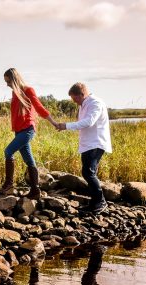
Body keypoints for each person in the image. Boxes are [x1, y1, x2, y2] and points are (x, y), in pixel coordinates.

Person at [0, 68, 58, 200]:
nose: (7, 84)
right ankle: (35, 190)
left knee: (8, 151)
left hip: (27, 130)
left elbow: (39, 107)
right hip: (19, 131)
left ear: (14, 79)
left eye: (8, 81)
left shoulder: (28, 90)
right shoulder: (15, 93)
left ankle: (9, 185)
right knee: (29, 160)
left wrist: (53, 122)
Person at [55, 83, 112, 214]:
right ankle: (95, 202)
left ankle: (100, 202)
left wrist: (66, 126)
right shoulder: (84, 104)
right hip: (88, 144)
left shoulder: (95, 103)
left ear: (82, 94)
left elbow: (89, 122)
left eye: (75, 99)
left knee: (88, 173)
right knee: (88, 173)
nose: (74, 102)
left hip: (96, 143)